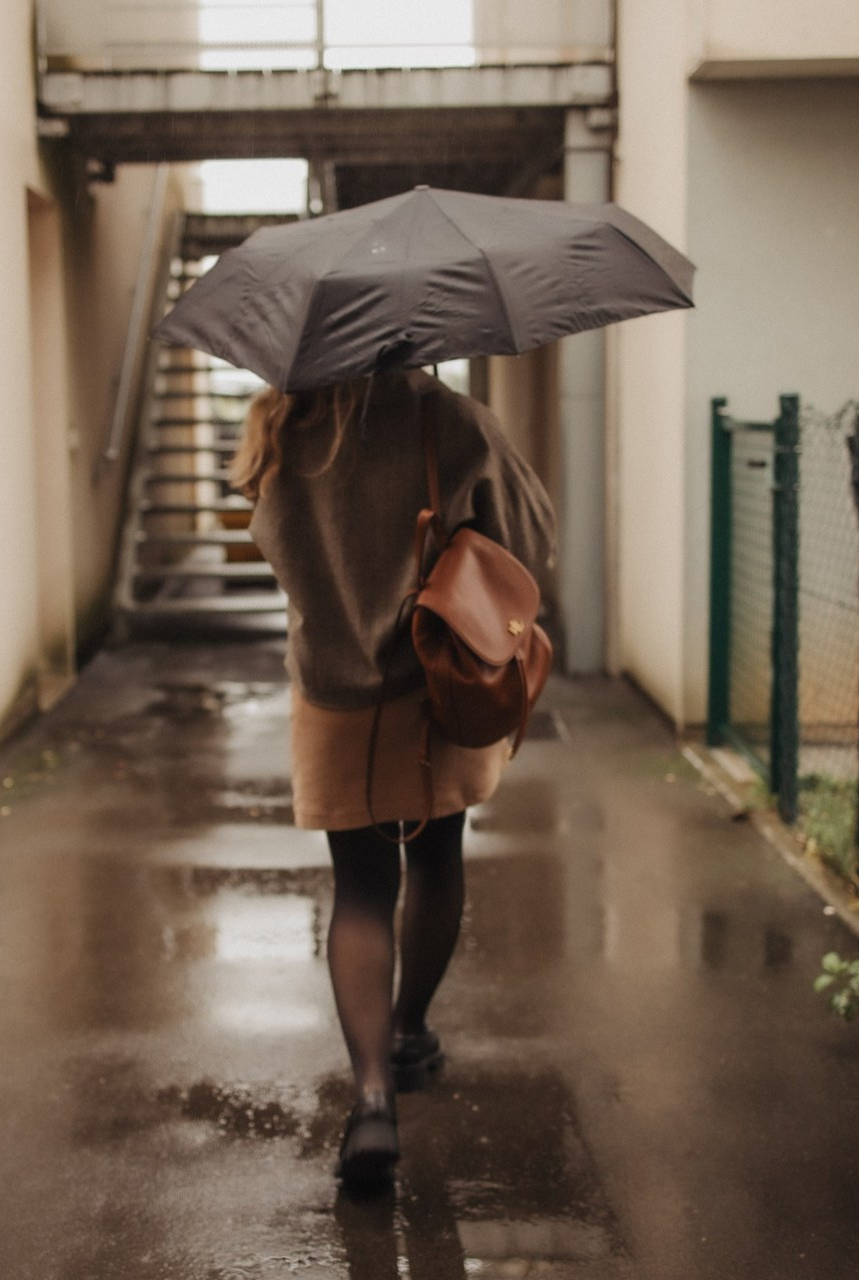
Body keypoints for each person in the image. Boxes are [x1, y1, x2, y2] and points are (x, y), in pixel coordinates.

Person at [232, 366, 556, 1185]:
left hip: (334, 691)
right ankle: (411, 1031)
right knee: (438, 858)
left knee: (361, 890)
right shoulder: (453, 421)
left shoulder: (283, 425)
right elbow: (529, 538)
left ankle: (373, 1098)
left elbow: (278, 549)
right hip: (437, 683)